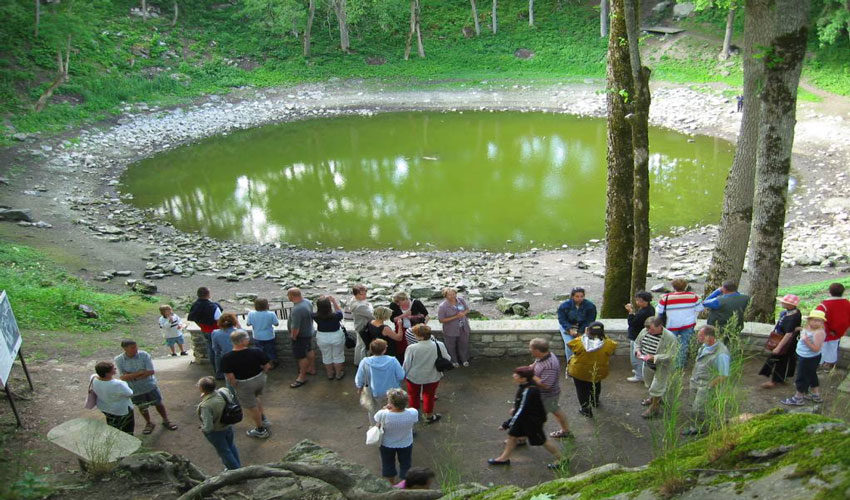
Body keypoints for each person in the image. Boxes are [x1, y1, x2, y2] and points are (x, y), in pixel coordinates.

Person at [488, 366, 563, 468]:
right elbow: (521, 406)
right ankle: (503, 458)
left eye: (516, 375)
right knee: (512, 436)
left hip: (532, 422)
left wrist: (507, 423)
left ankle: (562, 459)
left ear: (523, 378)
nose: (513, 376)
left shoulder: (530, 390)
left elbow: (522, 410)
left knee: (543, 441)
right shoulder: (525, 385)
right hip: (524, 420)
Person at [114, 339, 178, 434]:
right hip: (135, 389)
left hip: (150, 386)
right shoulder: (119, 359)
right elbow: (123, 377)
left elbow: (150, 371)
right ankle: (149, 423)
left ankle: (166, 420)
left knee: (159, 403)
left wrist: (131, 376)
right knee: (142, 407)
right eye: (132, 347)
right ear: (125, 349)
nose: (136, 349)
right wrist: (140, 372)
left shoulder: (144, 355)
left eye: (136, 346)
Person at [221, 330, 272, 439]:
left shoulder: (227, 358)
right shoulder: (256, 351)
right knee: (256, 397)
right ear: (243, 341)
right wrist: (262, 374)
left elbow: (230, 377)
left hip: (244, 384)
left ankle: (260, 430)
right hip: (259, 379)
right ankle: (263, 419)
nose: (249, 340)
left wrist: (236, 386)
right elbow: (267, 366)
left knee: (251, 407)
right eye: (247, 338)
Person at [682, 325, 730, 436]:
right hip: (696, 381)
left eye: (701, 336)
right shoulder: (704, 346)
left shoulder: (721, 354)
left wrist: (709, 386)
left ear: (710, 337)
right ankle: (697, 426)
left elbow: (724, 375)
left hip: (706, 384)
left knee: (699, 408)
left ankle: (717, 423)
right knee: (693, 405)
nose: (698, 338)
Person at [567, 322, 617, 418]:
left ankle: (586, 410)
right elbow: (611, 350)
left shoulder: (578, 342)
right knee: (596, 384)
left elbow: (571, 347)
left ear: (588, 330)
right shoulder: (608, 343)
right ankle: (595, 401)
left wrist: (585, 334)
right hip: (598, 370)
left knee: (581, 390)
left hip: (580, 371)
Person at [402, 324, 450, 424]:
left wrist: (403, 374)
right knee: (429, 395)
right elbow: (447, 358)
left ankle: (414, 416)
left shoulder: (412, 348)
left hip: (414, 376)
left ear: (420, 336)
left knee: (413, 396)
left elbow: (407, 364)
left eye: (415, 334)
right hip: (433, 376)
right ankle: (429, 416)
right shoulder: (439, 345)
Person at [634, 317, 679, 419]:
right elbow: (637, 342)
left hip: (662, 366)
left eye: (652, 330)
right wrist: (638, 351)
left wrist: (655, 357)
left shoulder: (670, 337)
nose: (649, 332)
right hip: (647, 364)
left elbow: (672, 354)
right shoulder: (645, 330)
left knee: (656, 387)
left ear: (660, 326)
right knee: (649, 383)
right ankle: (653, 398)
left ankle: (654, 408)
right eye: (648, 330)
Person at [527, 338, 571, 439]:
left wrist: (530, 374)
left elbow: (546, 385)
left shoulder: (550, 365)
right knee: (556, 410)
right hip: (548, 396)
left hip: (547, 396)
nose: (529, 349)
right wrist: (531, 367)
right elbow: (537, 363)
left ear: (537, 351)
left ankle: (521, 437)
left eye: (531, 348)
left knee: (532, 416)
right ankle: (566, 431)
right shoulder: (544, 355)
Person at [373, 388, 420, 485]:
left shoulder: (382, 414)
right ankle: (404, 483)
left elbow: (376, 420)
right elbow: (414, 420)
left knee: (388, 463)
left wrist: (384, 409)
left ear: (390, 403)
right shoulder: (413, 412)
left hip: (387, 444)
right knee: (406, 463)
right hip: (406, 442)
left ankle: (392, 483)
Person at [781, 310, 827, 406]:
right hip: (804, 355)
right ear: (809, 320)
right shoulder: (809, 327)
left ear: (822, 322)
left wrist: (806, 340)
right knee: (811, 374)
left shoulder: (819, 333)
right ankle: (816, 395)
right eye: (814, 320)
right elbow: (806, 332)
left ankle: (798, 398)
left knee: (802, 377)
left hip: (809, 358)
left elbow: (816, 348)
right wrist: (799, 329)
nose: (816, 323)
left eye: (819, 321)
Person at [656, 279, 703, 369]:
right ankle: (679, 365)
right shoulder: (693, 296)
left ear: (673, 287)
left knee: (671, 345)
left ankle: (670, 363)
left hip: (671, 325)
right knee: (684, 344)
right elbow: (699, 309)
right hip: (688, 324)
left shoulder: (665, 298)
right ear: (685, 286)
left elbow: (659, 311)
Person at [196, 376, 241, 470]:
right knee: (231, 446)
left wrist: (203, 429)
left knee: (224, 451)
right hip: (227, 425)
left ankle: (236, 472)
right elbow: (231, 398)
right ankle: (238, 467)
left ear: (202, 389)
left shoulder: (206, 405)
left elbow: (208, 426)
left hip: (217, 431)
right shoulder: (224, 391)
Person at [355, 339, 405, 423]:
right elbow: (401, 376)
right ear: (384, 350)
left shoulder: (365, 362)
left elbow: (360, 378)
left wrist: (359, 387)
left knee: (373, 410)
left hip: (373, 392)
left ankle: (375, 428)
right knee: (393, 410)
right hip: (392, 392)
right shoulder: (393, 360)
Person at [758, 294, 802, 388]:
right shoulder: (789, 312)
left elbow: (788, 334)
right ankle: (780, 378)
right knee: (781, 360)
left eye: (784, 302)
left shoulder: (793, 317)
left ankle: (775, 381)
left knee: (779, 360)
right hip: (784, 340)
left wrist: (778, 347)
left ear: (791, 305)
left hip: (786, 342)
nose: (782, 303)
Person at [91, 361, 134, 434]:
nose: (115, 369)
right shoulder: (118, 384)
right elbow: (130, 393)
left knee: (113, 426)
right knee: (127, 429)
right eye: (113, 369)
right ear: (107, 373)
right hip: (121, 410)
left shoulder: (93, 379)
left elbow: (95, 375)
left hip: (105, 408)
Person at [814, 283, 850, 372]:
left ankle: (821, 364)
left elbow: (817, 319)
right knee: (833, 348)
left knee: (822, 348)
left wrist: (828, 330)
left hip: (825, 333)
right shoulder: (847, 303)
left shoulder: (824, 305)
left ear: (829, 291)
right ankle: (829, 364)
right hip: (839, 332)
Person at [556, 287, 597, 362]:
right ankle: (570, 363)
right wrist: (569, 329)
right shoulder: (564, 306)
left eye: (582, 296)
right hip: (568, 326)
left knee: (585, 343)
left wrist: (580, 332)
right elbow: (562, 319)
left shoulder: (590, 306)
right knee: (570, 344)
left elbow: (590, 320)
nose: (579, 298)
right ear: (572, 296)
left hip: (583, 326)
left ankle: (583, 362)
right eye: (577, 296)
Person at [187, 287, 222, 373]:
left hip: (204, 330)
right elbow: (219, 321)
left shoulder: (195, 305)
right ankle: (219, 372)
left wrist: (201, 325)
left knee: (210, 349)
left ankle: (214, 369)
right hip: (215, 331)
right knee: (218, 352)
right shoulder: (214, 306)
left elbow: (192, 317)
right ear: (208, 294)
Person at [287, 287, 316, 388]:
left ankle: (302, 377)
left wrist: (293, 336)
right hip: (309, 332)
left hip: (300, 336)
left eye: (288, 295)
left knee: (301, 357)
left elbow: (295, 327)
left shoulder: (297, 309)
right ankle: (311, 368)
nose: (288, 297)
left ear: (292, 296)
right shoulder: (307, 302)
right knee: (309, 350)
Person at [313, 295, 346, 380]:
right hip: (336, 336)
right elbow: (339, 311)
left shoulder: (315, 316)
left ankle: (330, 374)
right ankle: (338, 374)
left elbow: (315, 311)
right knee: (338, 355)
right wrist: (334, 301)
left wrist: (320, 301)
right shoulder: (336, 316)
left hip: (322, 337)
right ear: (329, 306)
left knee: (326, 356)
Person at [625, 291, 655, 382]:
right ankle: (640, 372)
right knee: (640, 356)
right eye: (637, 300)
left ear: (646, 301)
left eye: (640, 301)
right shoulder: (650, 309)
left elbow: (632, 323)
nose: (637, 302)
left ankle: (639, 375)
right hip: (641, 335)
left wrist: (630, 313)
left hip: (637, 337)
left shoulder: (644, 312)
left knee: (636, 357)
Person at [389, 292, 429, 362]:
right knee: (402, 348)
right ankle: (404, 362)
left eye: (399, 302)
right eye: (396, 303)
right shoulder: (393, 305)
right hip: (401, 329)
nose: (397, 304)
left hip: (416, 329)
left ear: (405, 299)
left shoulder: (416, 303)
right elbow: (393, 319)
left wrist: (423, 326)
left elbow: (426, 315)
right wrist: (404, 315)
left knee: (416, 346)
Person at [437, 287, 471, 368]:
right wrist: (456, 316)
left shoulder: (461, 300)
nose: (452, 296)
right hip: (450, 330)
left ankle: (464, 359)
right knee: (450, 346)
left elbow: (467, 310)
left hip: (463, 327)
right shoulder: (443, 306)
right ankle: (453, 361)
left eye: (454, 294)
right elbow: (441, 320)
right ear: (445, 296)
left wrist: (463, 313)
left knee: (464, 344)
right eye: (449, 295)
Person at [247, 298, 280, 368]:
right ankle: (271, 365)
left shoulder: (251, 313)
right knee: (270, 351)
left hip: (257, 336)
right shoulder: (271, 314)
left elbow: (248, 324)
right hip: (269, 336)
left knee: (259, 352)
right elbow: (276, 324)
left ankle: (261, 365)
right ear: (266, 305)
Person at [348, 284, 374, 367]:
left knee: (359, 345)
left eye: (365, 293)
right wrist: (369, 305)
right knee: (363, 346)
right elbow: (371, 315)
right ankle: (363, 363)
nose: (364, 296)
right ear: (356, 294)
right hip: (363, 326)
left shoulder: (353, 300)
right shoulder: (360, 306)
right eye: (361, 294)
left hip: (358, 325)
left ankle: (357, 362)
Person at [211, 313, 239, 381]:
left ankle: (219, 373)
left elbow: (215, 348)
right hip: (237, 355)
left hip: (224, 356)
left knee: (217, 354)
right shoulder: (239, 332)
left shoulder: (215, 333)